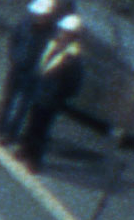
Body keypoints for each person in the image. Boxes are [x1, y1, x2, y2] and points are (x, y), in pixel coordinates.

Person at [14, 9, 87, 170]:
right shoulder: (52, 44)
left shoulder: (73, 57)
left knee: (42, 129)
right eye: (62, 30)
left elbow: (74, 84)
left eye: (67, 32)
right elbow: (41, 64)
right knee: (31, 123)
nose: (62, 33)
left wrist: (59, 96)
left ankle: (35, 159)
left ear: (73, 35)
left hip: (51, 99)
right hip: (38, 92)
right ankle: (25, 149)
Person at [0, 0, 63, 143]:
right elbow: (14, 39)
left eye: (42, 16)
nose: (38, 18)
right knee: (7, 99)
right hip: (17, 67)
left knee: (23, 106)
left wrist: (41, 70)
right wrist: (15, 57)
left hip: (34, 74)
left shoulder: (52, 33)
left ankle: (11, 134)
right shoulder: (25, 23)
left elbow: (52, 54)